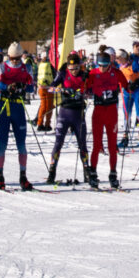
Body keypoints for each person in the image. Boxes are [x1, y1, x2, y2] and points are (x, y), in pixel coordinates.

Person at [0, 43, 36, 190]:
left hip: (18, 108)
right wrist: (8, 87)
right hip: (4, 106)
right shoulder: (2, 66)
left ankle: (23, 176)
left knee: (21, 144)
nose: (15, 61)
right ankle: (0, 175)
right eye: (12, 58)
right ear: (8, 56)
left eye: (18, 58)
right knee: (2, 143)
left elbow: (31, 87)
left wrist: (23, 87)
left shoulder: (26, 67)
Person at [46, 50, 95, 188]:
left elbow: (91, 90)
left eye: (76, 68)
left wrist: (85, 94)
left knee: (82, 144)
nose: (74, 71)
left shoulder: (84, 75)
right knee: (58, 143)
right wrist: (63, 90)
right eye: (71, 68)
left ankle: (86, 172)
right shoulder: (63, 74)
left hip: (78, 113)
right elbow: (50, 88)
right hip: (64, 113)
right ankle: (52, 172)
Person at [86, 44, 127, 188]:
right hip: (98, 112)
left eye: (104, 65)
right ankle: (93, 173)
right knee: (97, 145)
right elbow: (84, 88)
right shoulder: (93, 73)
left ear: (109, 63)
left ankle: (113, 174)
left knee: (112, 145)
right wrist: (82, 89)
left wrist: (134, 85)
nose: (102, 68)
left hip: (111, 113)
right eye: (100, 65)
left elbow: (126, 86)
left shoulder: (116, 73)